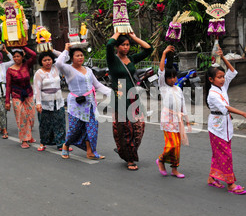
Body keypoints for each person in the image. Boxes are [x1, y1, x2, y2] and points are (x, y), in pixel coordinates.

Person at [106, 31, 153, 171]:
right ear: (117, 46)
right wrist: (118, 33)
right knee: (125, 129)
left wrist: (133, 37)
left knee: (139, 127)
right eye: (123, 45)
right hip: (120, 96)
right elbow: (109, 45)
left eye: (127, 45)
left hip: (133, 96)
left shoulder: (131, 59)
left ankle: (125, 150)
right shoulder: (112, 59)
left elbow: (149, 49)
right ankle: (130, 159)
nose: (126, 47)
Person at [56, 43, 111, 160]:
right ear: (72, 58)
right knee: (74, 129)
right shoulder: (68, 69)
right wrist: (66, 49)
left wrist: (112, 93)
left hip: (90, 104)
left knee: (92, 129)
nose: (80, 57)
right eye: (77, 56)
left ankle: (91, 152)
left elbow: (97, 85)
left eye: (81, 55)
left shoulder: (88, 70)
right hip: (76, 104)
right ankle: (66, 145)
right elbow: (59, 63)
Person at [206, 47, 246, 194]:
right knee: (226, 155)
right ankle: (230, 184)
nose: (223, 79)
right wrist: (243, 113)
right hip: (217, 128)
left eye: (223, 77)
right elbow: (226, 107)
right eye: (219, 77)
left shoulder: (223, 87)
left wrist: (223, 57)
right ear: (211, 80)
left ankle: (212, 178)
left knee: (219, 154)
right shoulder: (212, 93)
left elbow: (233, 72)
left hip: (225, 125)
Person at [156, 45, 190, 178]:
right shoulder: (163, 87)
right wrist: (164, 53)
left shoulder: (178, 89)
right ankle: (161, 159)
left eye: (174, 77)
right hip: (167, 119)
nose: (172, 79)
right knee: (172, 144)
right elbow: (161, 72)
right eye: (169, 77)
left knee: (178, 146)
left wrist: (186, 119)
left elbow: (183, 105)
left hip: (178, 120)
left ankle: (175, 169)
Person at [33, 50, 69, 152]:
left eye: (49, 59)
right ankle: (43, 142)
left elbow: (65, 57)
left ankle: (61, 143)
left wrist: (51, 50)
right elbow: (37, 90)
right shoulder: (39, 73)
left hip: (58, 101)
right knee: (45, 124)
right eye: (45, 60)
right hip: (45, 102)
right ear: (41, 62)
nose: (47, 62)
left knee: (60, 122)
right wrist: (38, 103)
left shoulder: (56, 68)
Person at [5, 46, 36, 148]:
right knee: (22, 117)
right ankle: (24, 140)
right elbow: (8, 86)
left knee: (31, 117)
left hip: (28, 94)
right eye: (14, 57)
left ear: (22, 57)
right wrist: (7, 101)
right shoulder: (10, 70)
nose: (16, 58)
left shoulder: (27, 65)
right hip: (16, 96)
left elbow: (34, 55)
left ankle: (29, 135)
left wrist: (23, 46)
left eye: (18, 56)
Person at [0, 45, 14, 139]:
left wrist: (6, 51)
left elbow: (13, 61)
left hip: (2, 91)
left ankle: (4, 128)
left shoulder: (3, 66)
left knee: (2, 111)